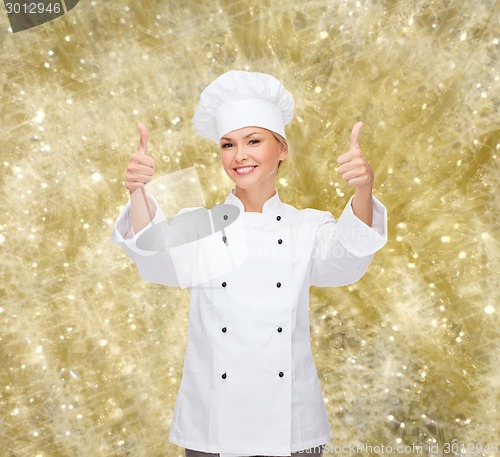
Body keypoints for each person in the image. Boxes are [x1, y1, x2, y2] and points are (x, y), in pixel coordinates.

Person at [111, 70, 388, 457]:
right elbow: (156, 258)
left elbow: (348, 259)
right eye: (228, 145)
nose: (239, 156)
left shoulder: (305, 226)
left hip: (292, 428)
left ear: (282, 149)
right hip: (213, 428)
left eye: (253, 141)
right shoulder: (203, 224)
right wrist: (138, 191)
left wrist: (363, 188)